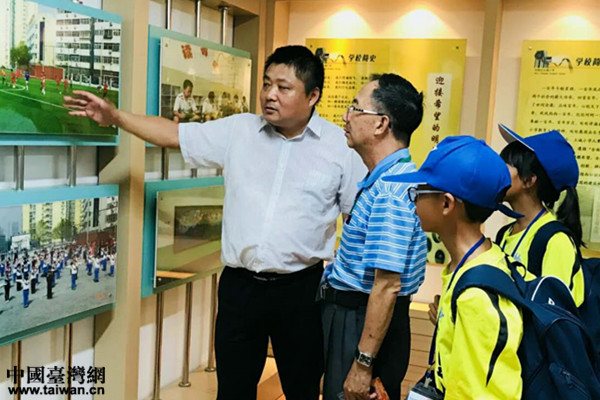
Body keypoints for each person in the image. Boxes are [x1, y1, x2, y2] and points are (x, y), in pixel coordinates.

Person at [64, 45, 365, 400]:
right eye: (266, 83)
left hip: (301, 291)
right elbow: (172, 134)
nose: (270, 94)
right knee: (233, 390)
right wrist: (115, 116)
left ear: (312, 96)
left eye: (283, 87)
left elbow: (355, 221)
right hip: (241, 288)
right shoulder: (239, 130)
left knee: (303, 389)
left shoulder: (340, 148)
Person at [383, 136, 527, 400]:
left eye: (419, 191)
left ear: (447, 203)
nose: (413, 201)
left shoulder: (478, 295)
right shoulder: (472, 264)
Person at [320, 74, 426, 400]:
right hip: (359, 318)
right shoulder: (387, 178)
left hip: (362, 322)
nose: (345, 116)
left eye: (355, 108)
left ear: (381, 124)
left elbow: (387, 285)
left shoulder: (391, 191)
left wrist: (362, 363)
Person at [496, 124, 584, 306]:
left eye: (505, 166)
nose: (496, 172)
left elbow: (553, 313)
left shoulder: (555, 240)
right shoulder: (505, 233)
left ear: (529, 180)